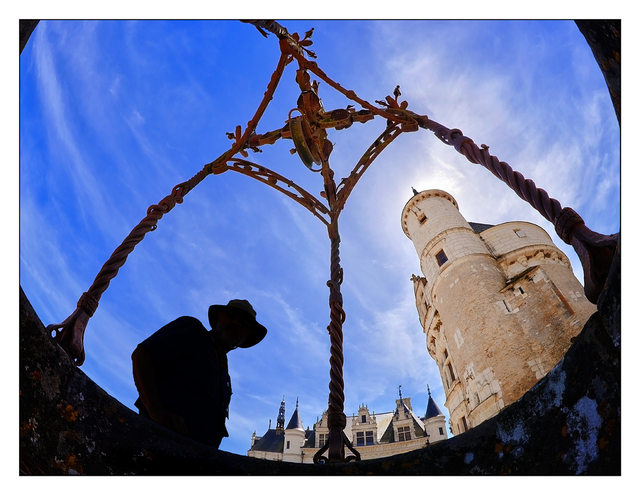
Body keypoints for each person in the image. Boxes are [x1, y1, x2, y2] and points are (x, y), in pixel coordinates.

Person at [131, 299, 267, 449]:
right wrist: (156, 410)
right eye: (232, 316)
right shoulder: (193, 331)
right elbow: (142, 355)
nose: (236, 323)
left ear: (247, 336)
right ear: (219, 317)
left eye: (245, 324)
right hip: (155, 441)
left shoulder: (225, 376)